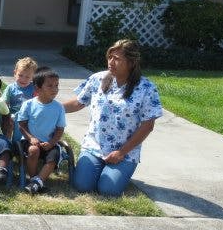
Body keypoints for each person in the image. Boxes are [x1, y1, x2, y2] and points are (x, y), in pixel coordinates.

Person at [63, 39, 163, 197]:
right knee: (82, 186)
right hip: (94, 146)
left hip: (125, 152)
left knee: (108, 190)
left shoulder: (146, 88)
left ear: (131, 63)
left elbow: (147, 126)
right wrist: (50, 108)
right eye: (110, 57)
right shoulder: (98, 79)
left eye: (117, 59)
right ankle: (103, 170)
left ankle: (116, 172)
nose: (111, 62)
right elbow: (78, 103)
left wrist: (121, 153)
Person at [16, 68, 66, 195]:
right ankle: (33, 178)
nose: (54, 89)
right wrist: (31, 138)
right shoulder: (29, 104)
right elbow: (21, 125)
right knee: (33, 150)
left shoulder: (58, 107)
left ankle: (37, 182)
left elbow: (60, 129)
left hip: (50, 142)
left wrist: (52, 142)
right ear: (37, 88)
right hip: (29, 141)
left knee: (53, 157)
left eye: (56, 85)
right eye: (50, 86)